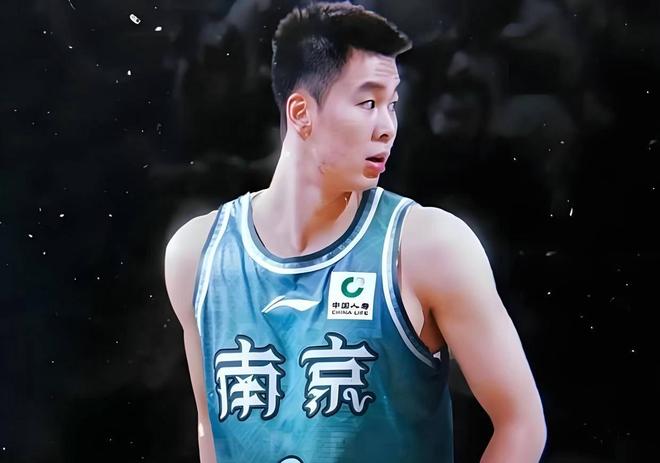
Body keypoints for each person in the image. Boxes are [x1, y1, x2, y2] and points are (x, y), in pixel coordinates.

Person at [164, 2, 546, 462]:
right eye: (368, 103)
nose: (387, 128)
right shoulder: (196, 255)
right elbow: (212, 430)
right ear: (301, 113)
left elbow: (521, 423)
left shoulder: (429, 246)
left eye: (392, 105)